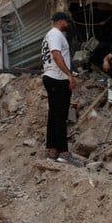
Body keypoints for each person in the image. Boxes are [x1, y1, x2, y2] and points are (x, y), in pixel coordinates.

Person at [41, 12, 84, 166]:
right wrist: (68, 75)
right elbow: (56, 54)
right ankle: (64, 154)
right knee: (60, 117)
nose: (68, 24)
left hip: (52, 78)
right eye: (67, 21)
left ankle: (53, 152)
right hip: (57, 79)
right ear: (60, 21)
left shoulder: (50, 35)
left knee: (54, 116)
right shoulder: (55, 34)